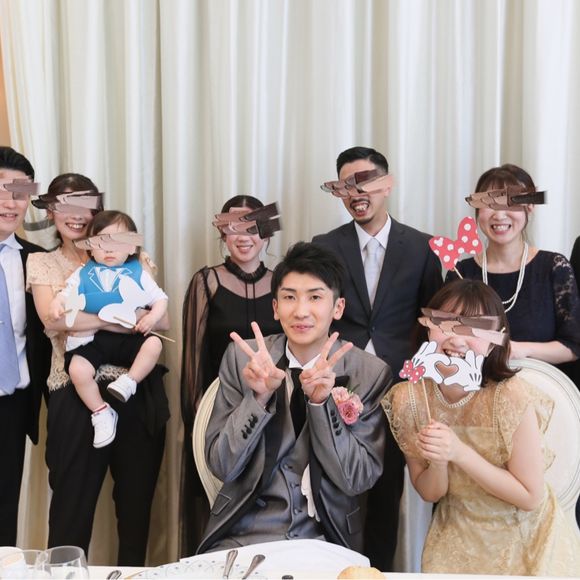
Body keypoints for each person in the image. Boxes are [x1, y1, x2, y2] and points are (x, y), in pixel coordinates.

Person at [196, 242, 392, 553]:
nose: (301, 311)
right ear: (275, 307)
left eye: (315, 297)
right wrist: (258, 399)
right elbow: (223, 465)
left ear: (338, 307)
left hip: (326, 539)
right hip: (243, 534)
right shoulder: (243, 358)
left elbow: (355, 479)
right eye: (289, 297)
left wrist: (321, 405)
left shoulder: (368, 373)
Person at [383, 279, 580, 575]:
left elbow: (530, 496)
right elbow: (430, 493)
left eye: (475, 329)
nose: (457, 339)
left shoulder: (509, 396)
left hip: (526, 539)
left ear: (495, 340)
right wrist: (439, 462)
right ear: (427, 327)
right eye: (445, 323)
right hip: (455, 534)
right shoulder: (409, 399)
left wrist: (459, 453)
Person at [27, 174, 169, 565]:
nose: (76, 215)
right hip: (75, 390)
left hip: (135, 387)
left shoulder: (134, 259)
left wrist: (90, 319)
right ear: (51, 212)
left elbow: (162, 319)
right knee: (71, 505)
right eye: (65, 206)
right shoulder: (43, 263)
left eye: (85, 206)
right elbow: (54, 321)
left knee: (136, 504)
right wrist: (118, 317)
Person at [312, 146, 443, 569]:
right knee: (335, 494)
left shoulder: (423, 247)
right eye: (346, 186)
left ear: (387, 185)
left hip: (398, 392)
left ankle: (379, 573)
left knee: (387, 497)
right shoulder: (324, 247)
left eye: (366, 181)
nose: (357, 193)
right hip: (337, 387)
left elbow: (432, 324)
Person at [180, 194, 282, 554]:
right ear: (222, 234)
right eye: (233, 228)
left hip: (273, 410)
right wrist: (198, 425)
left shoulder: (283, 284)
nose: (243, 236)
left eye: (252, 227)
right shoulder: (206, 281)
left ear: (266, 233)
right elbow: (192, 362)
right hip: (218, 410)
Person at [50, 210, 168, 448]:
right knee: (77, 369)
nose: (109, 249)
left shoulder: (139, 272)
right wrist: (57, 303)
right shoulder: (82, 273)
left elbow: (161, 300)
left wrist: (152, 318)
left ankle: (129, 382)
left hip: (129, 338)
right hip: (95, 338)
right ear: (91, 248)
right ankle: (101, 411)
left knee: (154, 344)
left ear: (132, 247)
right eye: (102, 242)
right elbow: (65, 294)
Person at [448, 164, 580, 366]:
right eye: (489, 203)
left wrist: (520, 350)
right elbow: (446, 339)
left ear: (530, 206)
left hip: (540, 383)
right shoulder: (459, 273)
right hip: (476, 383)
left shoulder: (554, 267)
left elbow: (574, 345)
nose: (499, 215)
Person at [0, 146, 51, 546]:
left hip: (13, 404)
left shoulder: (36, 261)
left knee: (5, 512)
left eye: (20, 192)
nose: (11, 202)